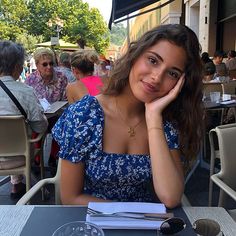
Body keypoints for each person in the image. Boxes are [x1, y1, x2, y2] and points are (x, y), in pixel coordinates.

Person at [52, 24, 204, 208]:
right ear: (135, 56)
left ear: (180, 83)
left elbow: (171, 197)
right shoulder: (83, 116)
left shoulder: (166, 122)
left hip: (148, 226)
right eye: (153, 60)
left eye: (172, 73)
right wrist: (132, 214)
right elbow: (70, 198)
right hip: (95, 224)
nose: (157, 77)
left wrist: (153, 118)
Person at [0, 40, 48, 199]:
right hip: (21, 156)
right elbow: (40, 127)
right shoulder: (26, 92)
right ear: (16, 67)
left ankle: (16, 184)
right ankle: (21, 185)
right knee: (27, 140)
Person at [25, 47, 68, 168]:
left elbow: (66, 99)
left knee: (61, 125)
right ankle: (37, 160)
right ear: (37, 65)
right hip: (38, 115)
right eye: (44, 64)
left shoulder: (61, 78)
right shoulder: (30, 80)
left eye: (51, 63)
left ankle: (53, 158)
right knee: (33, 126)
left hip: (56, 115)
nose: (49, 67)